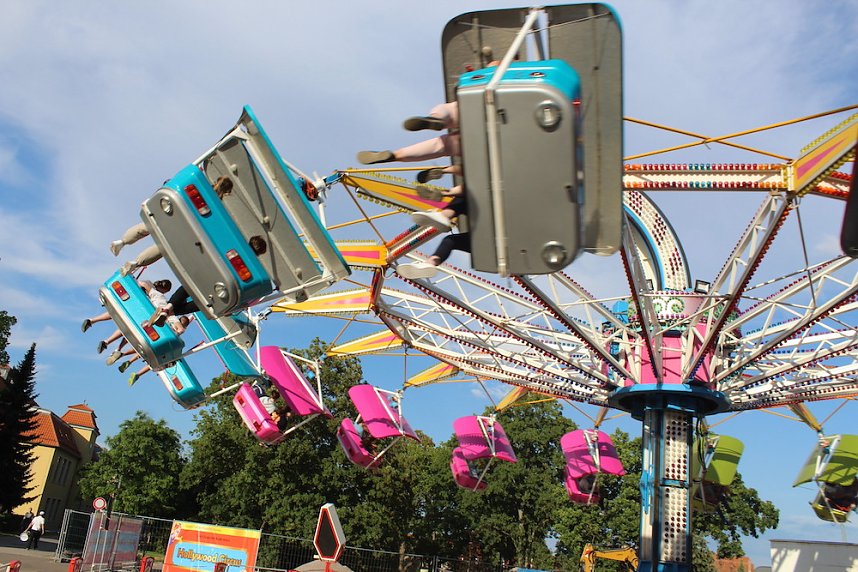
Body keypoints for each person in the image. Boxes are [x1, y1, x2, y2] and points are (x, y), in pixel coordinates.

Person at [118, 177, 234, 276]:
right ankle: (135, 263)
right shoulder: (217, 205)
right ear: (227, 193)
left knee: (147, 227)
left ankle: (121, 242)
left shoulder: (201, 186)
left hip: (175, 213)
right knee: (163, 247)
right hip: (185, 227)